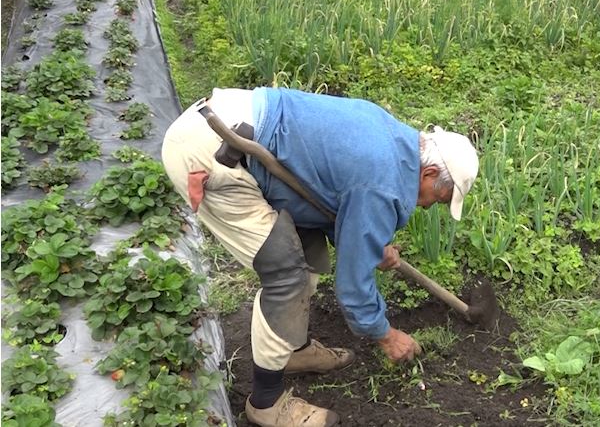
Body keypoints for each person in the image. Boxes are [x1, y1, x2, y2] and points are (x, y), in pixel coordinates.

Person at [161, 87, 479, 426]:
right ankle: (266, 403)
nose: (429, 206)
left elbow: (333, 199)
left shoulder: (393, 139)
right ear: (429, 174)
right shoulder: (382, 184)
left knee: (308, 255)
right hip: (215, 152)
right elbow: (353, 286)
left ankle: (291, 351)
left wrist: (368, 246)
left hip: (234, 131)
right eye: (439, 198)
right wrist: (385, 334)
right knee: (287, 275)